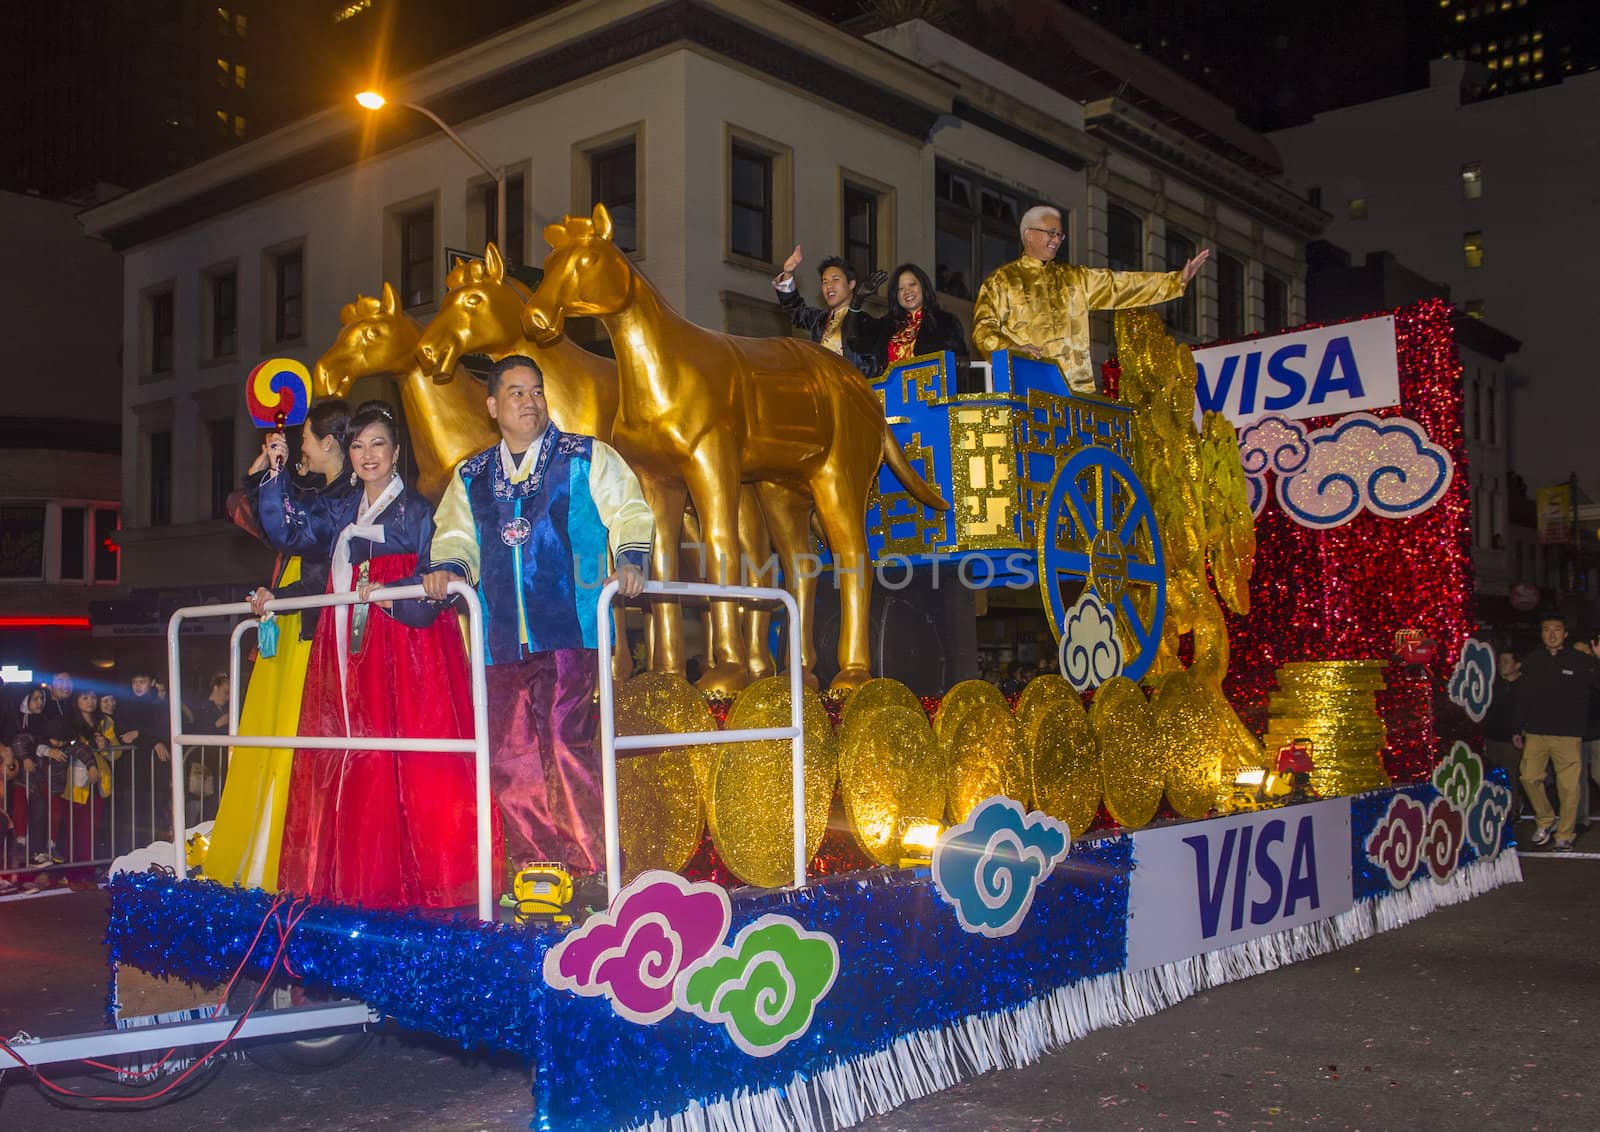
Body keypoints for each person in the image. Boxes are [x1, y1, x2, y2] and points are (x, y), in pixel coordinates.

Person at [423, 354, 653, 913]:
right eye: (517, 392)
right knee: (511, 755)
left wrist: (628, 559)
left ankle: (593, 869)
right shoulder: (472, 475)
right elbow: (455, 538)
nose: (529, 401)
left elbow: (629, 509)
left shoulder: (585, 457)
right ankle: (534, 870)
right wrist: (448, 571)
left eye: (537, 391)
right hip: (499, 637)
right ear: (493, 406)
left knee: (566, 742)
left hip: (570, 628)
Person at [256, 400, 497, 911]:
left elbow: (443, 577)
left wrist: (403, 588)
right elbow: (290, 531)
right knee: (351, 753)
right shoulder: (341, 508)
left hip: (404, 652)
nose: (367, 456)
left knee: (408, 757)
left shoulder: (419, 511)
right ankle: (352, 881)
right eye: (358, 446)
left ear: (396, 453)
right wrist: (276, 471)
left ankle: (423, 884)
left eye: (378, 445)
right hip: (344, 647)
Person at [210, 398, 356, 890]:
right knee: (270, 743)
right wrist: (262, 477)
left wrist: (271, 482)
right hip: (293, 625)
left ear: (329, 443)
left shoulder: (345, 498)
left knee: (296, 748)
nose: (301, 450)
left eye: (307, 440)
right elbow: (256, 518)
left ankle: (287, 864)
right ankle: (260, 861)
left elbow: (293, 535)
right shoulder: (320, 490)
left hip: (312, 632)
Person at [971, 204, 1210, 392]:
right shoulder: (1003, 281)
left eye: (1060, 235)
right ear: (1028, 235)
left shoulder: (1074, 279)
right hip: (1029, 388)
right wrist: (1014, 349)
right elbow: (983, 331)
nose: (1056, 240)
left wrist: (1175, 280)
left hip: (1076, 393)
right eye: (1051, 233)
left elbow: (1120, 285)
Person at [1516, 614, 1600, 852]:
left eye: (1557, 629)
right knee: (1528, 777)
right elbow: (1523, 697)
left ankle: (1564, 834)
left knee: (1569, 787)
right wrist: (1517, 727)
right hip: (1536, 732)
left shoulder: (1580, 660)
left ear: (1565, 634)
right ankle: (1545, 819)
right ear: (1542, 634)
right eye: (1546, 630)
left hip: (1568, 734)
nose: (1552, 634)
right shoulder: (1533, 660)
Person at [771, 245, 884, 377]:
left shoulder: (866, 322)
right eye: (825, 281)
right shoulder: (819, 320)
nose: (829, 286)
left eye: (835, 279)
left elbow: (871, 365)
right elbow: (795, 310)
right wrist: (788, 273)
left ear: (851, 284)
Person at [850, 263, 971, 384]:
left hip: (931, 396)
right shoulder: (887, 325)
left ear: (923, 286)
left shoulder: (946, 322)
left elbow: (960, 366)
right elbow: (854, 341)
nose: (907, 291)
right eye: (900, 289)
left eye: (912, 284)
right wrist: (857, 300)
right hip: (891, 396)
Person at [1481, 648, 1524, 823]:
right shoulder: (1494, 686)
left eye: (1506, 661)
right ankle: (1497, 806)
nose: (1502, 665)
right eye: (1500, 662)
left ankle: (1513, 809)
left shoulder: (1524, 686)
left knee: (1511, 774)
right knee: (1494, 775)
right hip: (1493, 738)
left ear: (1517, 665)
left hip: (1511, 740)